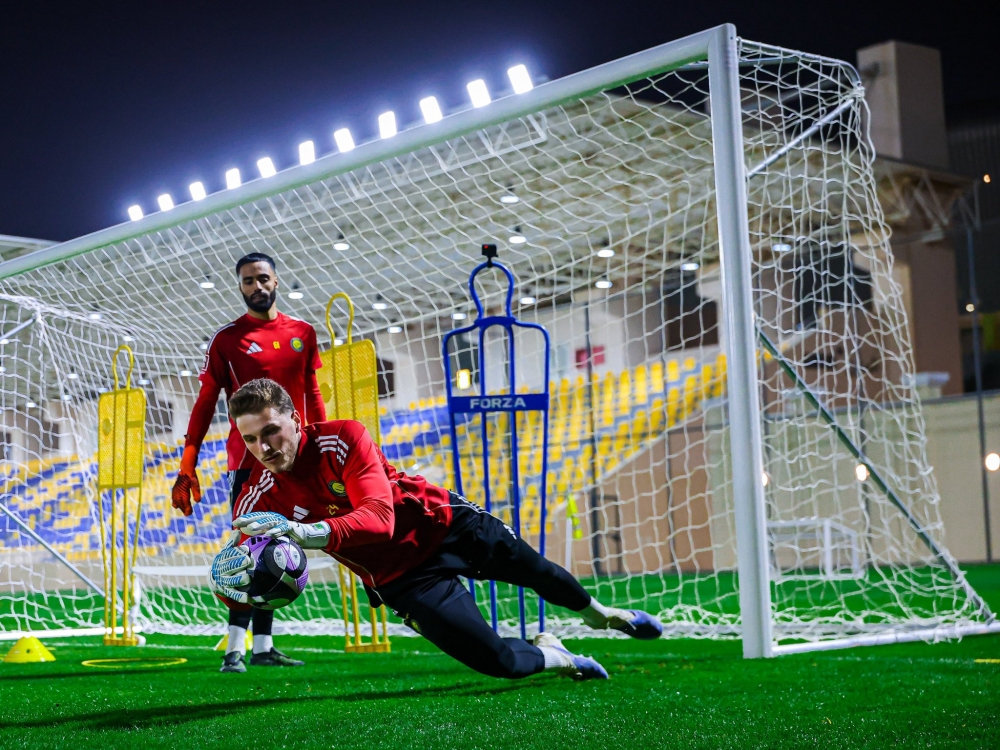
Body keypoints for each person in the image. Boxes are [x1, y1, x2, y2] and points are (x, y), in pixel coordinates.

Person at [210, 378, 663, 681]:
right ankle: (558, 654)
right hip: (400, 578)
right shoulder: (259, 493)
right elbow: (240, 563)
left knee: (540, 574)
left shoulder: (343, 438)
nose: (264, 447)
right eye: (250, 439)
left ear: (295, 418)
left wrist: (303, 532)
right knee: (497, 661)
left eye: (271, 430)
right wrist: (232, 581)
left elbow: (379, 519)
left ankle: (601, 616)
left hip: (444, 522)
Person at [172, 253, 326, 673]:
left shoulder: (303, 333)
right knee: (248, 548)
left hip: (298, 458)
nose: (256, 287)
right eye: (247, 282)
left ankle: (262, 648)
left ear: (277, 281)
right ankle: (234, 650)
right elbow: (205, 403)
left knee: (280, 549)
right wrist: (189, 462)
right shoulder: (228, 340)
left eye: (263, 279)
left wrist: (324, 441)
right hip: (249, 458)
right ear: (240, 287)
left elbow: (311, 394)